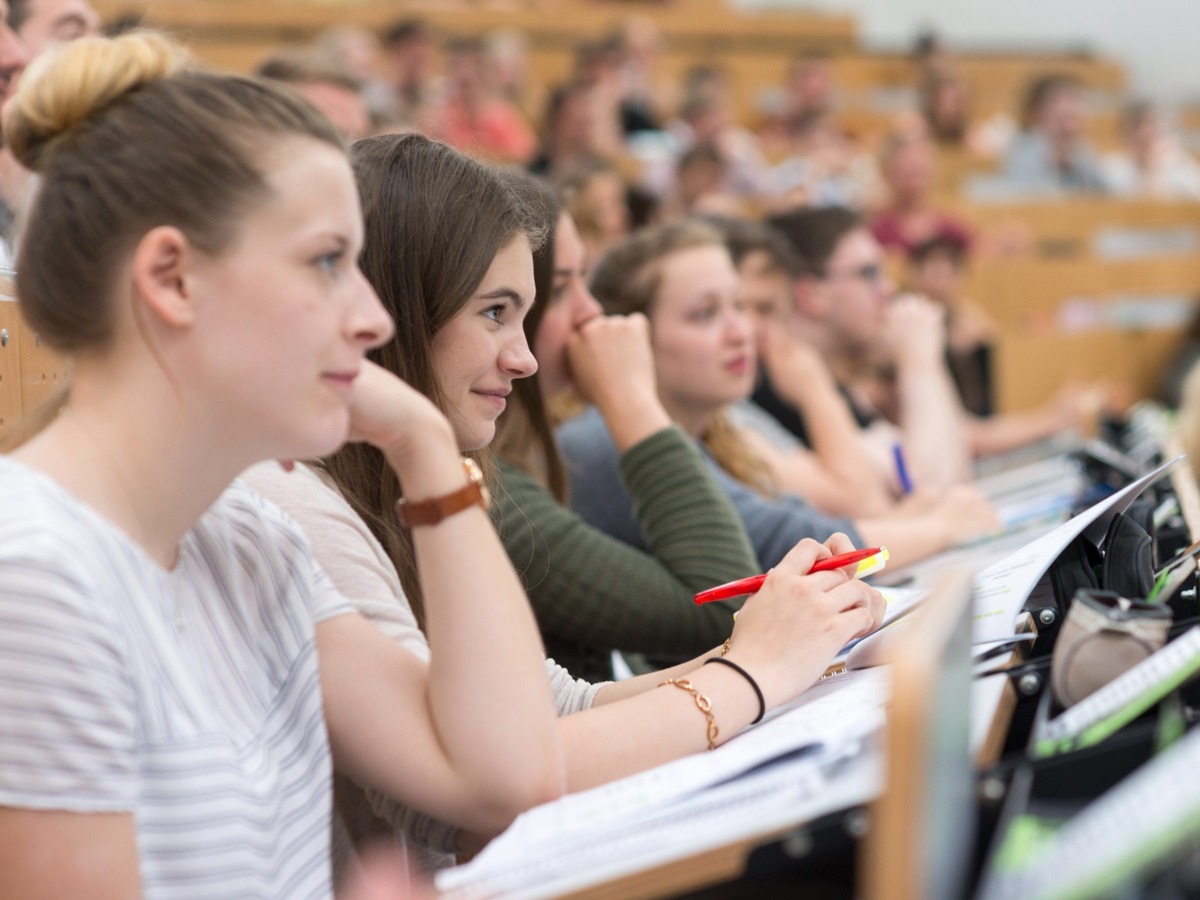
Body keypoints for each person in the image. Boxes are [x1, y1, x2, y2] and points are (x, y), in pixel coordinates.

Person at [0, 31, 568, 896]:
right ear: (174, 279)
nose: (375, 320)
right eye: (328, 262)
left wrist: (423, 448)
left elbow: (507, 779)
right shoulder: (34, 579)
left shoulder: (255, 541)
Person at [245, 139, 884, 869]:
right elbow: (495, 786)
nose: (530, 352)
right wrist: (756, 668)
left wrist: (807, 650)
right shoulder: (300, 498)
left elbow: (559, 707)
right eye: (496, 312)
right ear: (397, 312)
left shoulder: (420, 472)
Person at [558, 219, 999, 574]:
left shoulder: (715, 429)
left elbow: (821, 527)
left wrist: (922, 520)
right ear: (632, 337)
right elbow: (792, 546)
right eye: (706, 314)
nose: (742, 332)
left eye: (740, 306)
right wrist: (942, 526)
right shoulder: (600, 441)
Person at [758, 205, 973, 492]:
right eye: (870, 273)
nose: (888, 289)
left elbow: (949, 468)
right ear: (812, 294)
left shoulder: (821, 379)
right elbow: (929, 487)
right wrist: (918, 357)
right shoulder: (778, 390)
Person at [1000, 73, 1107, 195]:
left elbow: (1107, 196)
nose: (1070, 106)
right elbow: (1019, 197)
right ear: (1038, 112)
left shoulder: (1083, 151)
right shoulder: (1022, 150)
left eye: (1073, 98)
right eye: (1058, 100)